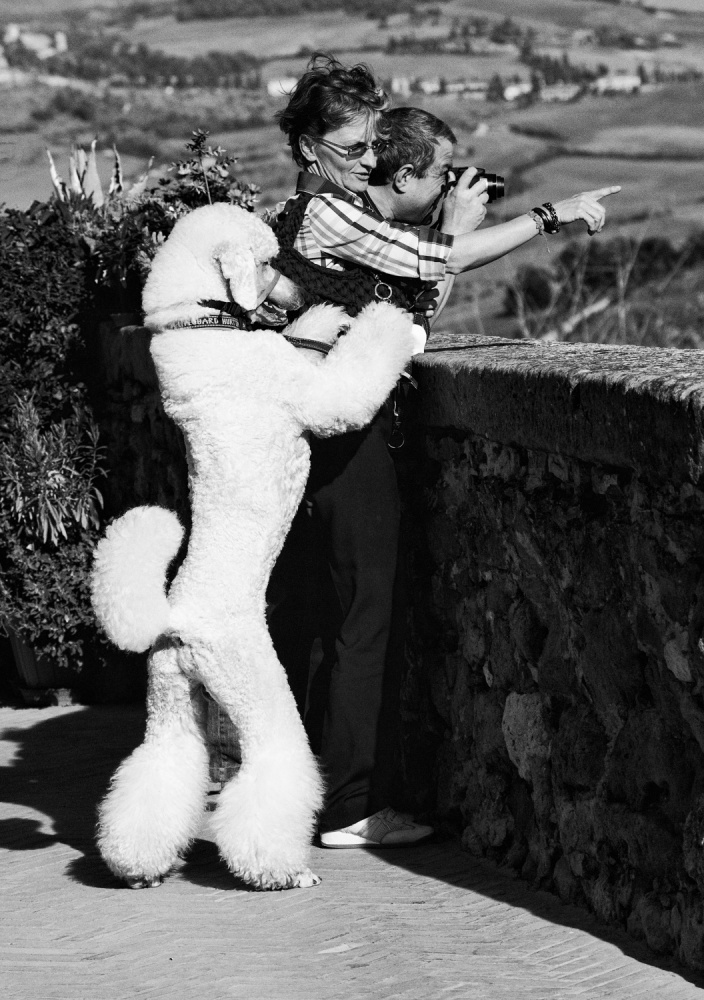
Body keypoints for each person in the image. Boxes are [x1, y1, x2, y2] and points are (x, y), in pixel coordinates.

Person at [212, 54, 619, 850]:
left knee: (326, 611)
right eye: (354, 145)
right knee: (363, 613)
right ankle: (349, 805)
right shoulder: (326, 214)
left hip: (313, 425)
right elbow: (437, 266)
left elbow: (410, 311)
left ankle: (310, 788)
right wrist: (551, 216)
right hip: (338, 428)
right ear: (309, 147)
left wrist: (447, 233)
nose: (369, 159)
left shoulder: (312, 216)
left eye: (372, 144)